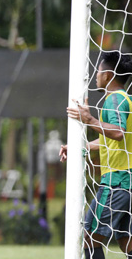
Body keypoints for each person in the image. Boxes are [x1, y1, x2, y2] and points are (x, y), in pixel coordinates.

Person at [61, 51, 132, 259]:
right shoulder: (127, 99)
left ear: (108, 75)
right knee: (126, 242)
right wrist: (79, 147)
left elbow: (117, 133)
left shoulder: (114, 100)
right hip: (128, 180)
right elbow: (112, 138)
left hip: (117, 181)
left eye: (98, 71)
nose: (96, 76)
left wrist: (89, 120)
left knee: (89, 239)